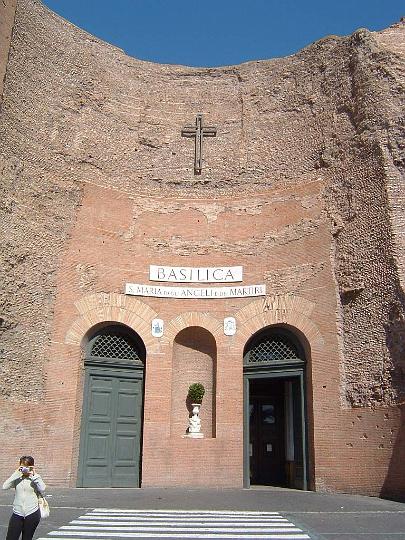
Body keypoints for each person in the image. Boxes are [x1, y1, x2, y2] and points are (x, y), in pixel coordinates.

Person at [2, 455, 46, 540]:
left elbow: (42, 488)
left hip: (32, 512)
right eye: (23, 466)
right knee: (11, 537)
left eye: (27, 467)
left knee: (27, 538)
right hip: (17, 512)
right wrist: (16, 473)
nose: (25, 469)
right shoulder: (17, 478)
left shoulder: (35, 478)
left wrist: (34, 476)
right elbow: (4, 486)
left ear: (31, 466)